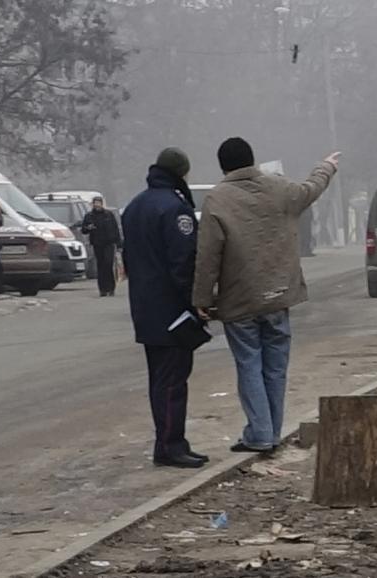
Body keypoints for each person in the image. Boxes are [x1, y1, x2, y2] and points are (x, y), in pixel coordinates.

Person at [193, 137, 339, 454]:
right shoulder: (280, 188)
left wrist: (202, 298)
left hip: (239, 300)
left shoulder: (217, 199)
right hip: (278, 296)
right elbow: (312, 188)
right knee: (275, 367)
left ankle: (260, 433)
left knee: (249, 364)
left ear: (223, 166)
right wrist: (326, 167)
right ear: (252, 160)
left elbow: (208, 256)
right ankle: (271, 431)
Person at [122, 147, 208, 469]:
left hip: (145, 307)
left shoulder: (134, 206)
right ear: (181, 173)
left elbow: (129, 258)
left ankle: (169, 441)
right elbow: (183, 263)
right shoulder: (175, 209)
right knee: (173, 381)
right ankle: (171, 445)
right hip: (172, 311)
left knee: (159, 380)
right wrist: (197, 303)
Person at [81, 197, 122, 297]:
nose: (97, 205)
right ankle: (102, 289)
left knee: (108, 264)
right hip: (97, 244)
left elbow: (115, 229)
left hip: (109, 243)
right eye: (95, 203)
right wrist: (88, 228)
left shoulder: (108, 215)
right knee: (101, 266)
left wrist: (119, 244)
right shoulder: (89, 216)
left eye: (99, 203)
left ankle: (111, 288)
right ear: (93, 204)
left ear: (101, 204)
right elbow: (84, 230)